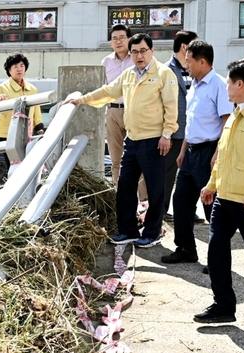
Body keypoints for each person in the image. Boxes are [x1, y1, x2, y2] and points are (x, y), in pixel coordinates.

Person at [68, 33, 179, 248]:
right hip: (133, 140)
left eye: (143, 51)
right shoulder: (128, 75)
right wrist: (82, 100)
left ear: (152, 51)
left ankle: (152, 233)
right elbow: (109, 91)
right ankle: (127, 230)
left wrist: (167, 135)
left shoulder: (164, 74)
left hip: (155, 140)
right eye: (135, 52)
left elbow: (171, 107)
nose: (139, 55)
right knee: (125, 187)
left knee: (156, 190)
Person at [194, 60, 244, 334]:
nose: (227, 88)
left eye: (229, 83)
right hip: (224, 197)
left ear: (240, 84)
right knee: (216, 252)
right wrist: (211, 185)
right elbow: (223, 156)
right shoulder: (234, 114)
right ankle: (223, 306)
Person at [161, 40, 233, 265]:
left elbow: (226, 122)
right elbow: (191, 123)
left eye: (189, 60)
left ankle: (217, 258)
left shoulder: (218, 85)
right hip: (190, 152)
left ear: (203, 61)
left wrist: (217, 155)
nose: (186, 64)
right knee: (181, 201)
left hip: (209, 152)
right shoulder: (195, 85)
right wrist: (183, 150)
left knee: (211, 205)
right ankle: (185, 249)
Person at [163, 30, 198, 219]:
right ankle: (161, 212)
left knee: (190, 176)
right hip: (174, 132)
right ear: (185, 47)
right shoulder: (167, 70)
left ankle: (189, 212)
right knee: (168, 175)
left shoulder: (194, 70)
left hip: (193, 132)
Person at [102, 24, 134, 186]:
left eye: (122, 37)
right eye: (115, 38)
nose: (118, 41)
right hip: (113, 111)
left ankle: (142, 201)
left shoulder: (136, 59)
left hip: (133, 111)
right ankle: (117, 193)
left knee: (137, 157)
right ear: (110, 42)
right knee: (115, 158)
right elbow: (103, 88)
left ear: (129, 39)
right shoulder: (106, 62)